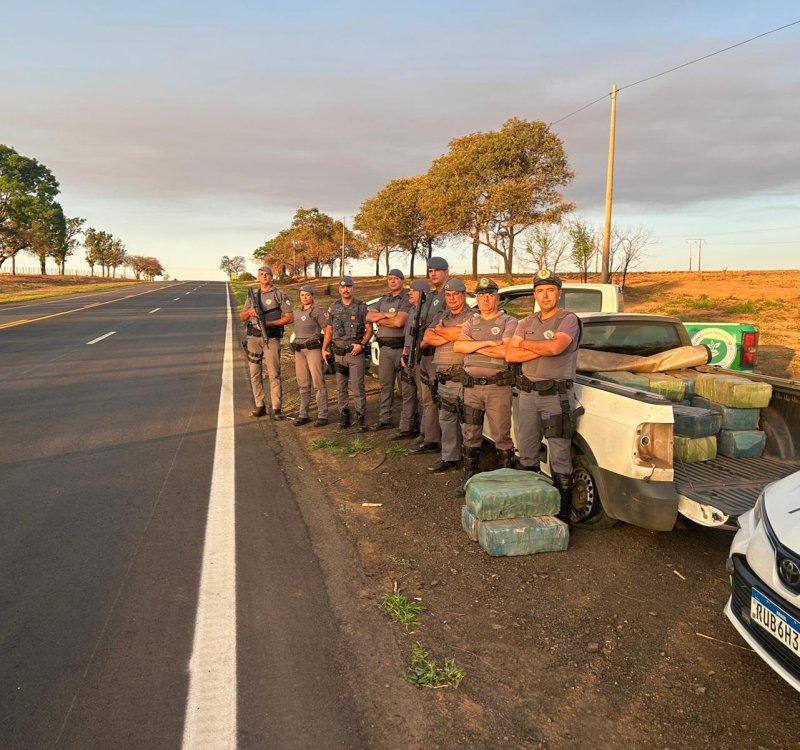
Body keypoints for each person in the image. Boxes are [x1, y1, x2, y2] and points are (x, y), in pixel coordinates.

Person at [506, 269, 582, 524]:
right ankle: (533, 507)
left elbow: (555, 347)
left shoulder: (568, 319)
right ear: (535, 294)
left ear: (559, 293)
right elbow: (510, 355)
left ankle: (562, 513)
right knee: (527, 452)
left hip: (555, 397)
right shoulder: (526, 322)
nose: (545, 295)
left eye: (550, 290)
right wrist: (540, 349)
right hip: (527, 395)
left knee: (559, 454)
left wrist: (526, 345)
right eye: (540, 291)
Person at [453, 277, 517, 496]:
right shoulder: (473, 322)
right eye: (481, 295)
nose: (485, 300)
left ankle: (507, 480)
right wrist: (489, 343)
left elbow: (506, 351)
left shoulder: (509, 322)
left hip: (497, 388)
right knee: (470, 433)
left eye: (490, 295)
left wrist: (473, 347)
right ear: (477, 299)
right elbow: (459, 346)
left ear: (497, 298)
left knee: (501, 435)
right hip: (471, 388)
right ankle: (469, 475)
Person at [421, 277, 473, 473]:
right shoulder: (442, 315)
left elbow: (466, 335)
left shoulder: (473, 316)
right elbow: (427, 336)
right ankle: (450, 458)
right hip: (443, 377)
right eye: (448, 295)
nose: (451, 298)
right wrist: (451, 334)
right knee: (447, 419)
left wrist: (442, 333)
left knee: (467, 423)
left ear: (464, 295)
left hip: (463, 377)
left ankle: (469, 463)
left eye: (455, 294)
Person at [407, 256, 449, 455]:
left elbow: (442, 325)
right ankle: (429, 436)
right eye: (430, 270)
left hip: (439, 353)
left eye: (437, 270)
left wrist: (424, 342)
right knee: (426, 398)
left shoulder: (450, 294)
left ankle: (440, 441)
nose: (433, 274)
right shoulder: (430, 296)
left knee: (439, 398)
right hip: (423, 353)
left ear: (446, 272)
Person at [240, 265, 293, 419]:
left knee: (274, 374)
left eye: (267, 274)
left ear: (271, 277)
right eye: (261, 274)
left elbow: (289, 317)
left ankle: (276, 409)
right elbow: (243, 317)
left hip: (271, 338)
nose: (264, 276)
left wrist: (271, 324)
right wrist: (250, 312)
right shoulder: (253, 295)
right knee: (255, 374)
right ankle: (260, 405)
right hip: (253, 338)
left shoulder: (279, 294)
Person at [321, 277, 373, 432]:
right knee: (341, 386)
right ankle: (344, 414)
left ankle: (360, 416)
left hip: (355, 353)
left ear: (353, 288)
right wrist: (324, 348)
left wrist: (362, 345)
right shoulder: (333, 307)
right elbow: (329, 330)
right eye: (343, 287)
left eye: (349, 287)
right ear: (339, 289)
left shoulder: (361, 307)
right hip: (338, 353)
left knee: (358, 386)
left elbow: (369, 329)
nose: (346, 290)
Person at [366, 269, 413, 431]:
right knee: (386, 386)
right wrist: (388, 316)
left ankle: (407, 424)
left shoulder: (406, 298)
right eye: (389, 279)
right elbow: (369, 316)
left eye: (395, 279)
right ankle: (385, 419)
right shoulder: (384, 299)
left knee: (407, 389)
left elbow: (399, 322)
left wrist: (381, 319)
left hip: (401, 348)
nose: (392, 281)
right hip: (385, 349)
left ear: (402, 280)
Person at [292, 284, 329, 427]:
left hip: (313, 350)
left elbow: (327, 330)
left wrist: (325, 348)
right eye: (302, 295)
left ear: (312, 296)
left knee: (318, 383)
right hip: (299, 351)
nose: (305, 297)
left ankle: (322, 414)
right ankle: (303, 414)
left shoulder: (318, 311)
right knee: (303, 384)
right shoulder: (296, 313)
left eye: (307, 295)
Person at [395, 279, 429, 439]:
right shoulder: (411, 311)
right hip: (408, 358)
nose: (409, 293)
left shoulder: (427, 312)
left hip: (420, 358)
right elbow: (407, 337)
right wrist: (404, 352)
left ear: (423, 294)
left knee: (424, 397)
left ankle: (424, 431)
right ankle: (406, 428)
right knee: (408, 394)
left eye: (413, 291)